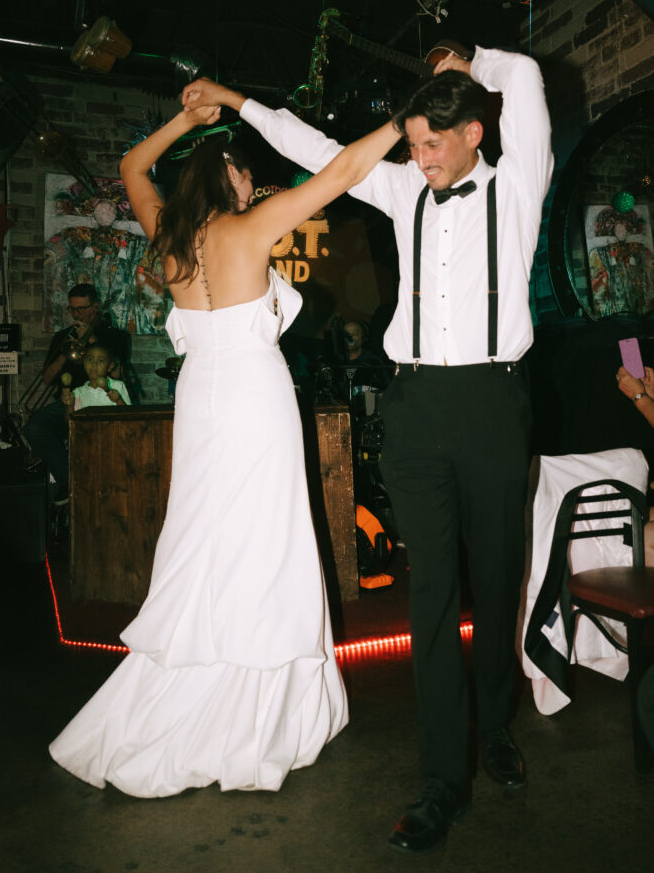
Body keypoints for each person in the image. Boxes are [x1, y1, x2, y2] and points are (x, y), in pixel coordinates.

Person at [183, 44, 553, 849]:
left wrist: (472, 58)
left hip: (492, 401)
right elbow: (315, 149)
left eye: (431, 144)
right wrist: (240, 102)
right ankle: (439, 783)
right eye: (412, 143)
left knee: (495, 583)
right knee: (429, 600)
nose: (416, 159)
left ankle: (495, 729)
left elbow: (522, 77)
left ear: (475, 135)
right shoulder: (399, 188)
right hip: (416, 405)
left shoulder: (519, 185)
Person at [48, 87, 402, 797]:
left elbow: (130, 166)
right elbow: (338, 175)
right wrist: (404, 120)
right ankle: (257, 710)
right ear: (230, 176)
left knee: (205, 537)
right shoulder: (250, 227)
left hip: (201, 397)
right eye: (245, 173)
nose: (252, 183)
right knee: (265, 541)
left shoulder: (169, 236)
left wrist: (182, 119)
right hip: (253, 396)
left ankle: (200, 682)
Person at [23, 283, 131, 501]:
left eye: (82, 309)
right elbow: (46, 378)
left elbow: (118, 375)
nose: (76, 314)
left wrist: (90, 340)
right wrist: (66, 351)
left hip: (105, 404)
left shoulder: (116, 337)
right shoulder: (64, 336)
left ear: (95, 307)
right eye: (72, 309)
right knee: (34, 427)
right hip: (71, 404)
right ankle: (69, 480)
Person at [61, 343, 131, 411]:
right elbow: (69, 421)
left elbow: (129, 416)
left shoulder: (118, 386)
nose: (94, 364)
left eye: (101, 361)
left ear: (110, 366)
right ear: (84, 363)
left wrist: (118, 400)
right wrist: (70, 405)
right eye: (90, 359)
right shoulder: (77, 393)